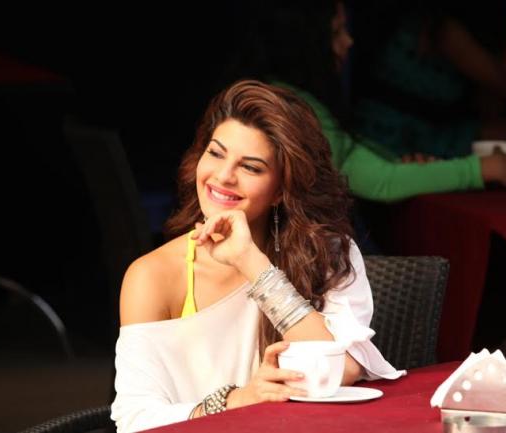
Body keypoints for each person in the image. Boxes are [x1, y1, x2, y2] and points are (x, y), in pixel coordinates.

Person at [110, 80, 404, 432]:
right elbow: (135, 420)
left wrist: (252, 264)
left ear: (281, 189)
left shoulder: (327, 254)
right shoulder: (153, 275)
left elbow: (344, 367)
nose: (223, 176)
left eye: (250, 167)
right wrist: (238, 400)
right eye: (216, 153)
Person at [227, 0, 506, 203]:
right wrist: (480, 169)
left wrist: (398, 163)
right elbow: (380, 182)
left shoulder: (293, 97)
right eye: (336, 32)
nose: (348, 41)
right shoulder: (289, 110)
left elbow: (352, 154)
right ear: (304, 42)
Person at [351, 0, 506, 163]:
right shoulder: (440, 27)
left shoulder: (424, 18)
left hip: (409, 127)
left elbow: (489, 101)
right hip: (398, 137)